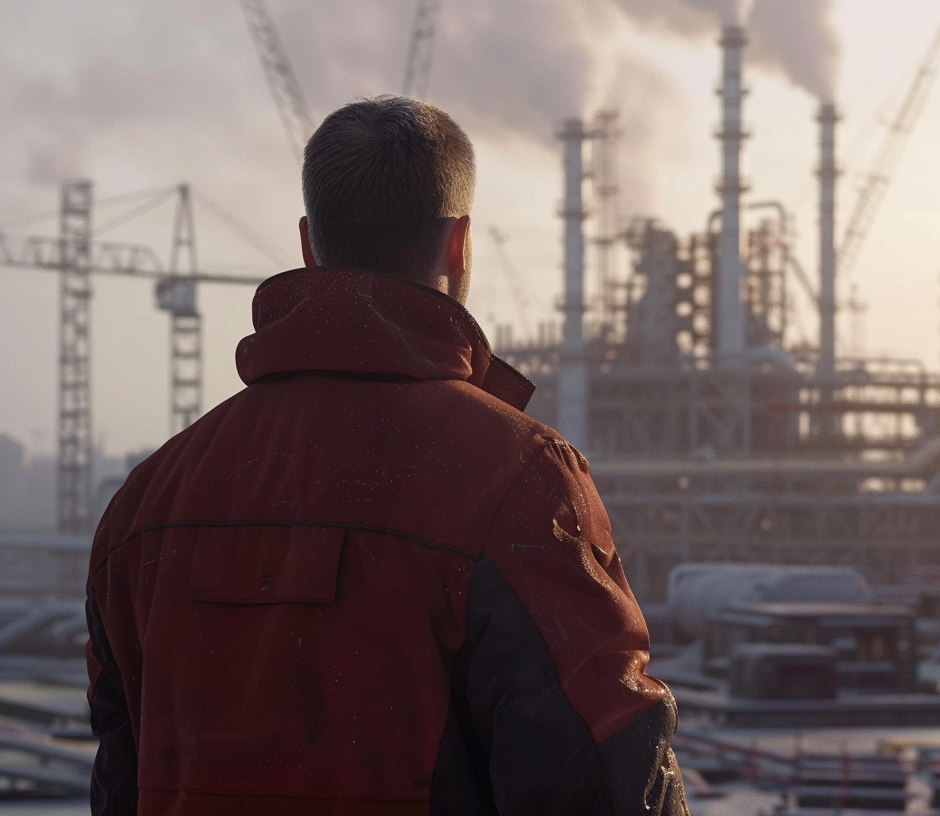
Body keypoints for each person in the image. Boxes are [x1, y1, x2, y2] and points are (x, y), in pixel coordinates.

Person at [85, 96, 686, 816]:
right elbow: (599, 779)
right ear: (459, 244)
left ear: (310, 245)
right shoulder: (517, 478)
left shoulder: (148, 501)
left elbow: (119, 781)